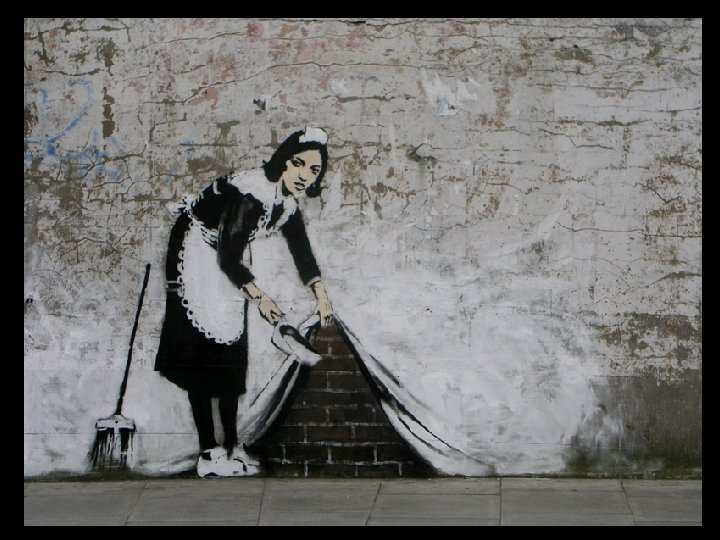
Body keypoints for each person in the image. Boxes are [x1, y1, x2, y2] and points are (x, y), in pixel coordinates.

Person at [154, 127, 334, 477]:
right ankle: (209, 451)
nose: (304, 175)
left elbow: (302, 251)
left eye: (313, 170)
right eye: (298, 164)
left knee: (232, 343)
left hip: (226, 253)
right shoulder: (252, 193)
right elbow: (228, 256)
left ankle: (232, 446)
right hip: (195, 249)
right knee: (202, 348)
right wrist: (261, 298)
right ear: (283, 161)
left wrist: (321, 295)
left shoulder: (287, 202)